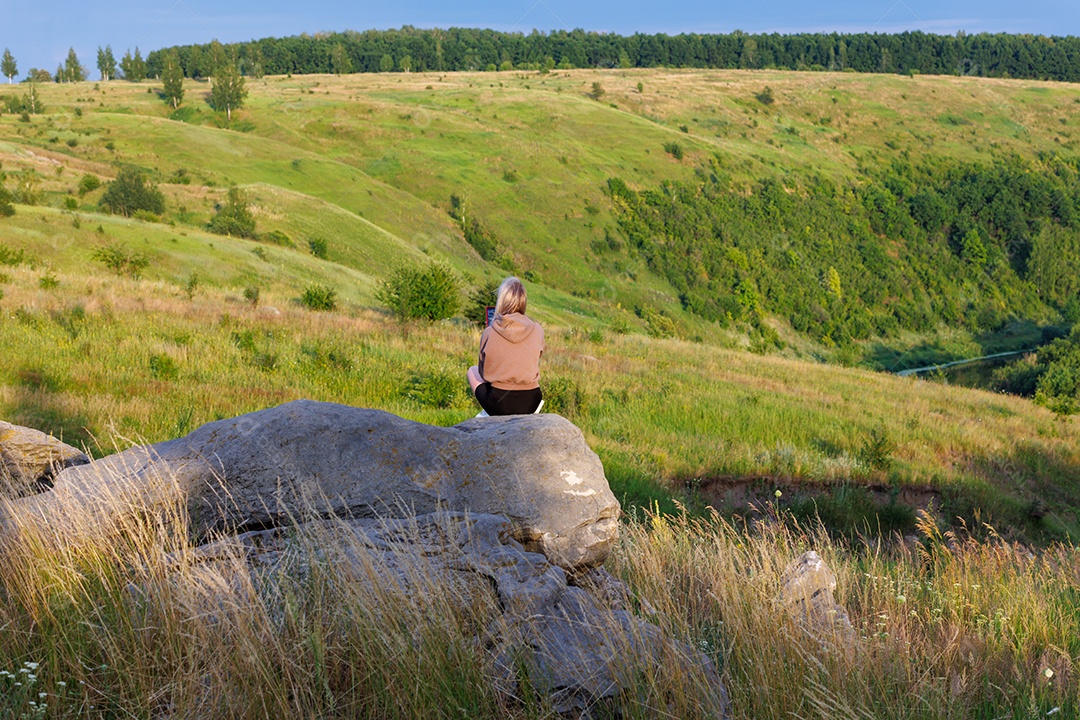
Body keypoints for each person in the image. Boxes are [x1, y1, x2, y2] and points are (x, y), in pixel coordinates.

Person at [467, 277, 544, 415]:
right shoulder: (538, 329)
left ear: (501, 301)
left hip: (499, 403)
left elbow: (483, 373)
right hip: (532, 401)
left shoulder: (489, 331)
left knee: (472, 371)